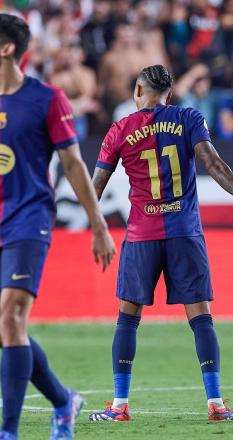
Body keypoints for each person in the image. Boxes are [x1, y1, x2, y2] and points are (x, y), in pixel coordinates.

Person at [87, 65, 233, 423]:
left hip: (141, 236)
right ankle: (215, 403)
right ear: (169, 94)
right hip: (184, 232)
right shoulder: (188, 118)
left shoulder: (120, 129)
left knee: (128, 318)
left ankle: (119, 405)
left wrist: (96, 228)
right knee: (201, 317)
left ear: (138, 90)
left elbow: (96, 187)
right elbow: (212, 163)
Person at [0, 13, 116, 440]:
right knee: (7, 328)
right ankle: (64, 400)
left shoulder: (47, 99)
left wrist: (99, 225)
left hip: (28, 218)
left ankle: (8, 432)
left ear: (6, 48)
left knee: (11, 316)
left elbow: (72, 163)